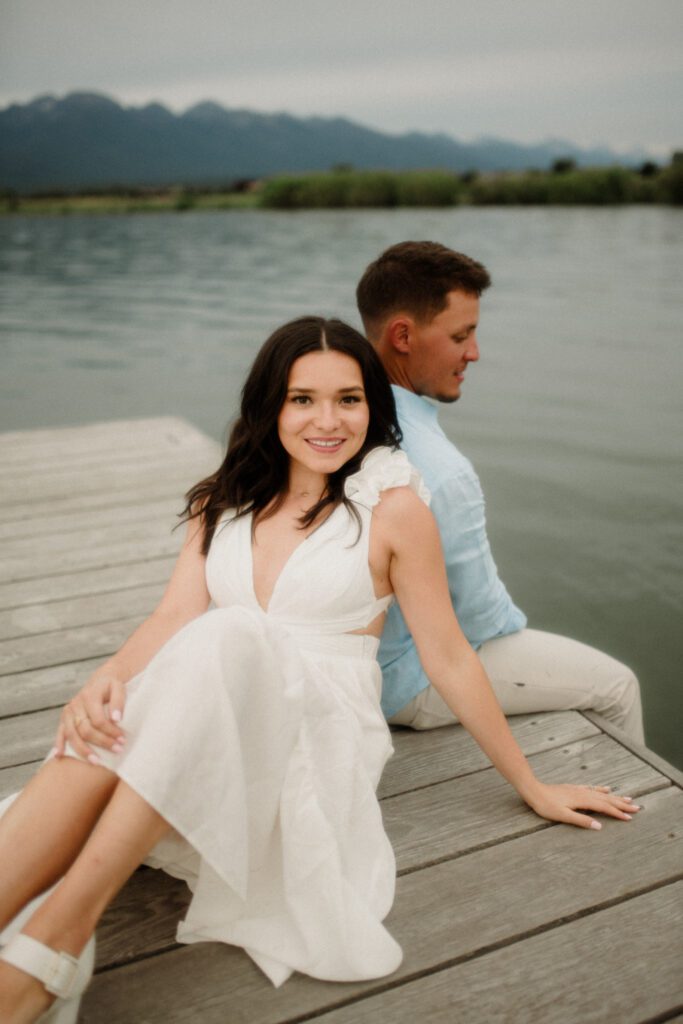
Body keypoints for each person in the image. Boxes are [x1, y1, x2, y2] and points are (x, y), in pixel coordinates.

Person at [0, 317, 638, 1024]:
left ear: (373, 407)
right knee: (114, 715)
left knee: (228, 636)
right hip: (207, 712)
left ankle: (56, 936)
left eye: (349, 399)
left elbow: (448, 655)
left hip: (311, 738)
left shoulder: (394, 509)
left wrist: (532, 784)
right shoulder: (224, 498)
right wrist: (105, 678)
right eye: (303, 399)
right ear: (270, 404)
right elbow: (171, 617)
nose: (327, 421)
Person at [356, 241, 645, 743]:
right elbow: (483, 618)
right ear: (402, 335)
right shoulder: (443, 471)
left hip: (349, 664)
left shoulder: (330, 416)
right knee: (618, 685)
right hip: (402, 680)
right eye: (460, 335)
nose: (474, 353)